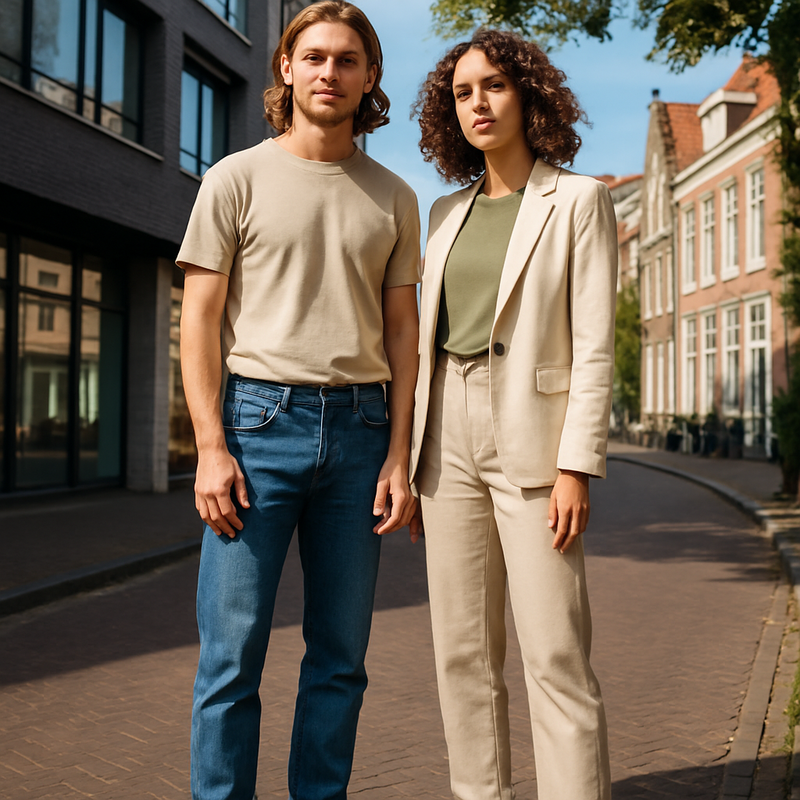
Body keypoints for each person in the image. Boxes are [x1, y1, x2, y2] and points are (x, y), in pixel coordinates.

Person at [176, 3, 420, 798]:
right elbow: (200, 323)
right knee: (230, 659)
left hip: (360, 435)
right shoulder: (234, 178)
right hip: (257, 430)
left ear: (369, 78)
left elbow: (403, 336)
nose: (329, 72)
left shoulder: (393, 196)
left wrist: (399, 456)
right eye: (313, 57)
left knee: (340, 661)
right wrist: (210, 447)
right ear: (285, 67)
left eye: (347, 60)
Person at [409, 29, 616, 800]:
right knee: (461, 653)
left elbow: (594, 343)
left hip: (534, 439)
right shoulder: (441, 213)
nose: (478, 102)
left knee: (555, 654)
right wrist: (413, 459)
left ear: (528, 93)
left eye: (493, 84)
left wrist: (576, 464)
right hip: (446, 444)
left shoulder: (580, 200)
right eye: (463, 92)